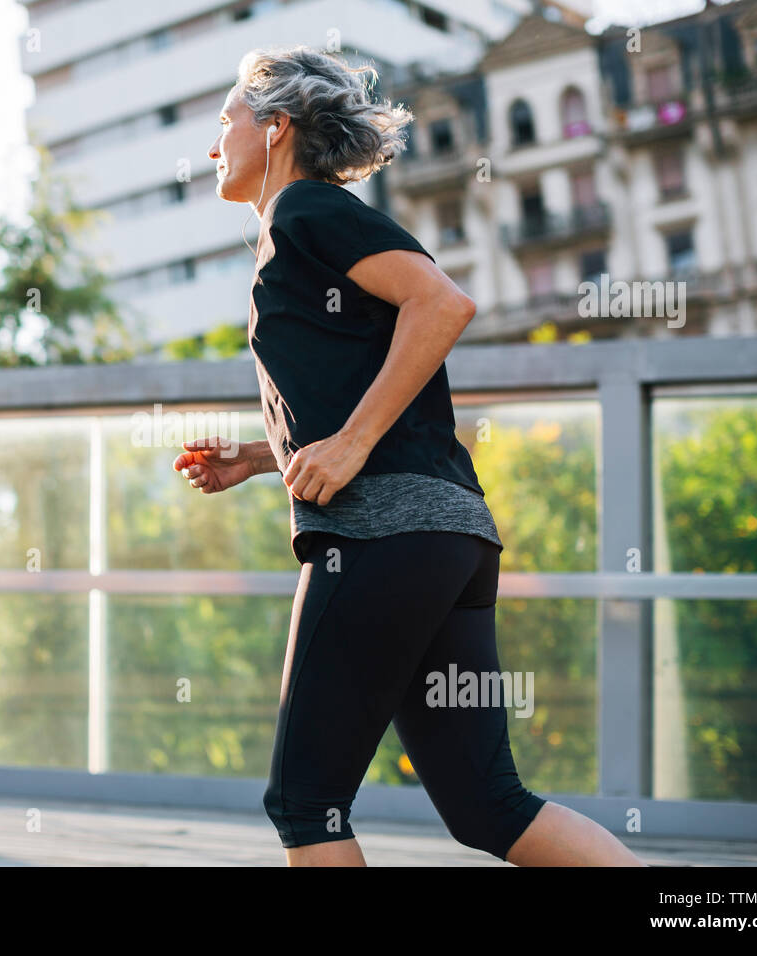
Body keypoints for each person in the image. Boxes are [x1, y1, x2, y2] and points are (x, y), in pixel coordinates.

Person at [173, 45, 644, 867]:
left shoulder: (304, 212)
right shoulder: (303, 229)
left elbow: (442, 302)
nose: (215, 147)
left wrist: (352, 445)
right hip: (444, 538)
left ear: (276, 126)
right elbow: (353, 376)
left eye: (226, 123)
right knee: (487, 806)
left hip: (383, 536)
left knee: (305, 800)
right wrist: (258, 455)